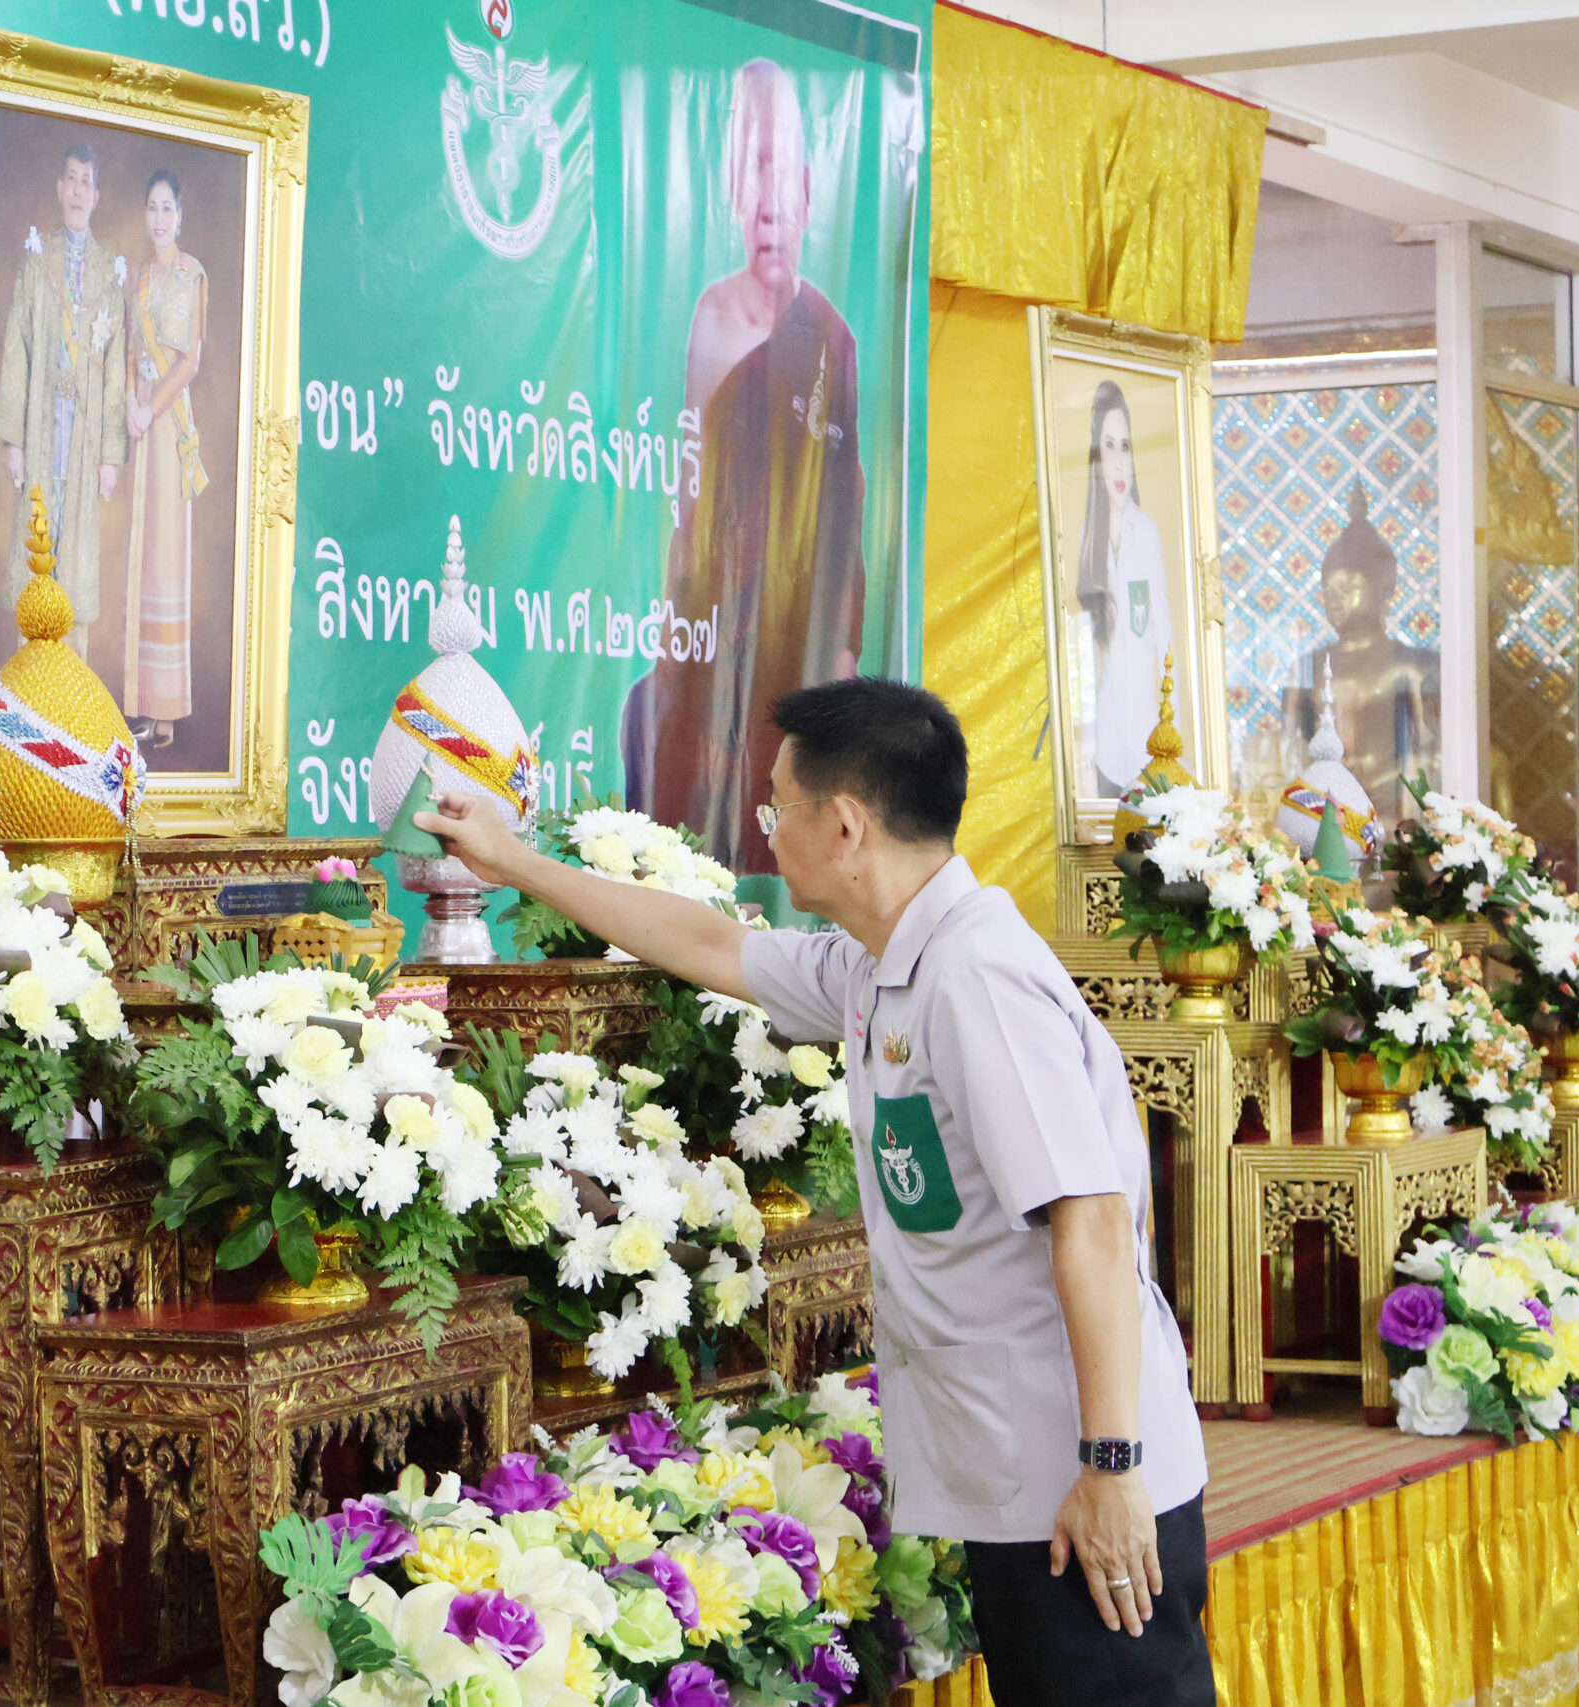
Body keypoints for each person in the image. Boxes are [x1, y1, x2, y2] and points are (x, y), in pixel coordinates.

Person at [418, 677, 1215, 1707]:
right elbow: (711, 944)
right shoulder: (884, 966)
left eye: (775, 808)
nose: (767, 830)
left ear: (844, 826)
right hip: (1026, 1482)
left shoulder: (977, 978)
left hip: (1084, 1485)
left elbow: (1093, 1220)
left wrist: (1111, 1465)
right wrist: (514, 862)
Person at [620, 57, 864, 879]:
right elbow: (691, 511)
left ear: (809, 190)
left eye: (781, 170)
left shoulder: (832, 339)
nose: (769, 201)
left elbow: (845, 520)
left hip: (800, 647)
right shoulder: (711, 324)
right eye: (750, 170)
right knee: (657, 739)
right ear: (728, 192)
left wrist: (839, 656)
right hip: (716, 634)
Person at [0, 138, 128, 665]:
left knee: (74, 559)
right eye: (70, 178)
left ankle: (69, 683)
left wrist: (111, 455)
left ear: (96, 196)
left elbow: (115, 369)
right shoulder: (37, 261)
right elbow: (17, 347)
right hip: (41, 431)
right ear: (58, 188)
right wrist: (13, 440)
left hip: (85, 440)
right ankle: (30, 682)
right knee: (37, 550)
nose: (76, 190)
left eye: (85, 182)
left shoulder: (109, 274)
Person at [1286, 488, 1439, 826]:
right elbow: (1287, 754)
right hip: (1325, 812)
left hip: (1393, 812)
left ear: (1384, 589)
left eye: (1347, 589)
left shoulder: (1412, 665)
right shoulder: (1307, 667)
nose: (1335, 601)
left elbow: (1428, 755)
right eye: (1329, 592)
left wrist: (1412, 819)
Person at [122, 166, 209, 751]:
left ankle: (169, 710)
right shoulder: (140, 279)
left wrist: (151, 408)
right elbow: (134, 351)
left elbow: (191, 360)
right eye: (151, 207)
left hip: (170, 422)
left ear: (180, 215)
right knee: (143, 557)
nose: (159, 218)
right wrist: (132, 402)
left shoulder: (191, 275)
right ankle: (144, 702)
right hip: (143, 422)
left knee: (169, 559)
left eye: (167, 208)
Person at [1073, 380, 1174, 798]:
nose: (1118, 464)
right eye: (1108, 447)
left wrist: (1171, 737)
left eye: (1126, 447)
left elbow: (1164, 640)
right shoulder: (1086, 538)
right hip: (1099, 748)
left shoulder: (1146, 534)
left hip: (1145, 745)